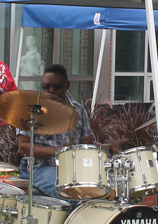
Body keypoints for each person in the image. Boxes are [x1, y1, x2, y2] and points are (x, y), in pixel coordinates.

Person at [17, 64, 122, 198]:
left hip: (75, 169)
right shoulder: (32, 110)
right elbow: (24, 148)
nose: (50, 90)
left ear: (67, 85)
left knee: (105, 191)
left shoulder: (78, 110)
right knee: (72, 193)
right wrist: (57, 151)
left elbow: (87, 145)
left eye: (56, 87)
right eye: (46, 86)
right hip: (43, 168)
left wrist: (110, 147)